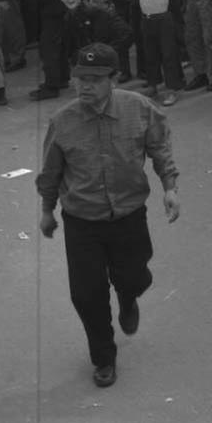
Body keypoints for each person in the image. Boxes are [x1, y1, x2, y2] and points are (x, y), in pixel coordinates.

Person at [35, 42, 180, 389]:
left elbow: (159, 146)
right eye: (79, 78)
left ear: (114, 79)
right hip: (81, 220)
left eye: (95, 79)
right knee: (86, 294)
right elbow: (50, 172)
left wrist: (170, 187)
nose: (85, 86)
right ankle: (103, 357)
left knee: (133, 277)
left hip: (129, 214)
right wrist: (46, 210)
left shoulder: (140, 109)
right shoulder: (62, 122)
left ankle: (128, 298)